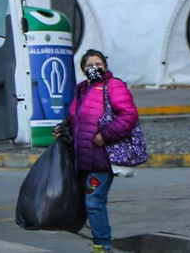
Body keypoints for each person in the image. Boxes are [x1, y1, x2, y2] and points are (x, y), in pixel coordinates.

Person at [56, 49, 139, 253]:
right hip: (84, 157)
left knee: (94, 200)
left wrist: (105, 135)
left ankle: (102, 245)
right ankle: (100, 242)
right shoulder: (81, 89)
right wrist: (64, 128)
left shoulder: (114, 86)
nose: (94, 68)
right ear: (83, 69)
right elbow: (77, 117)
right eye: (90, 65)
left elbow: (128, 115)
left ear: (105, 66)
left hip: (103, 157)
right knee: (90, 201)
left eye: (98, 64)